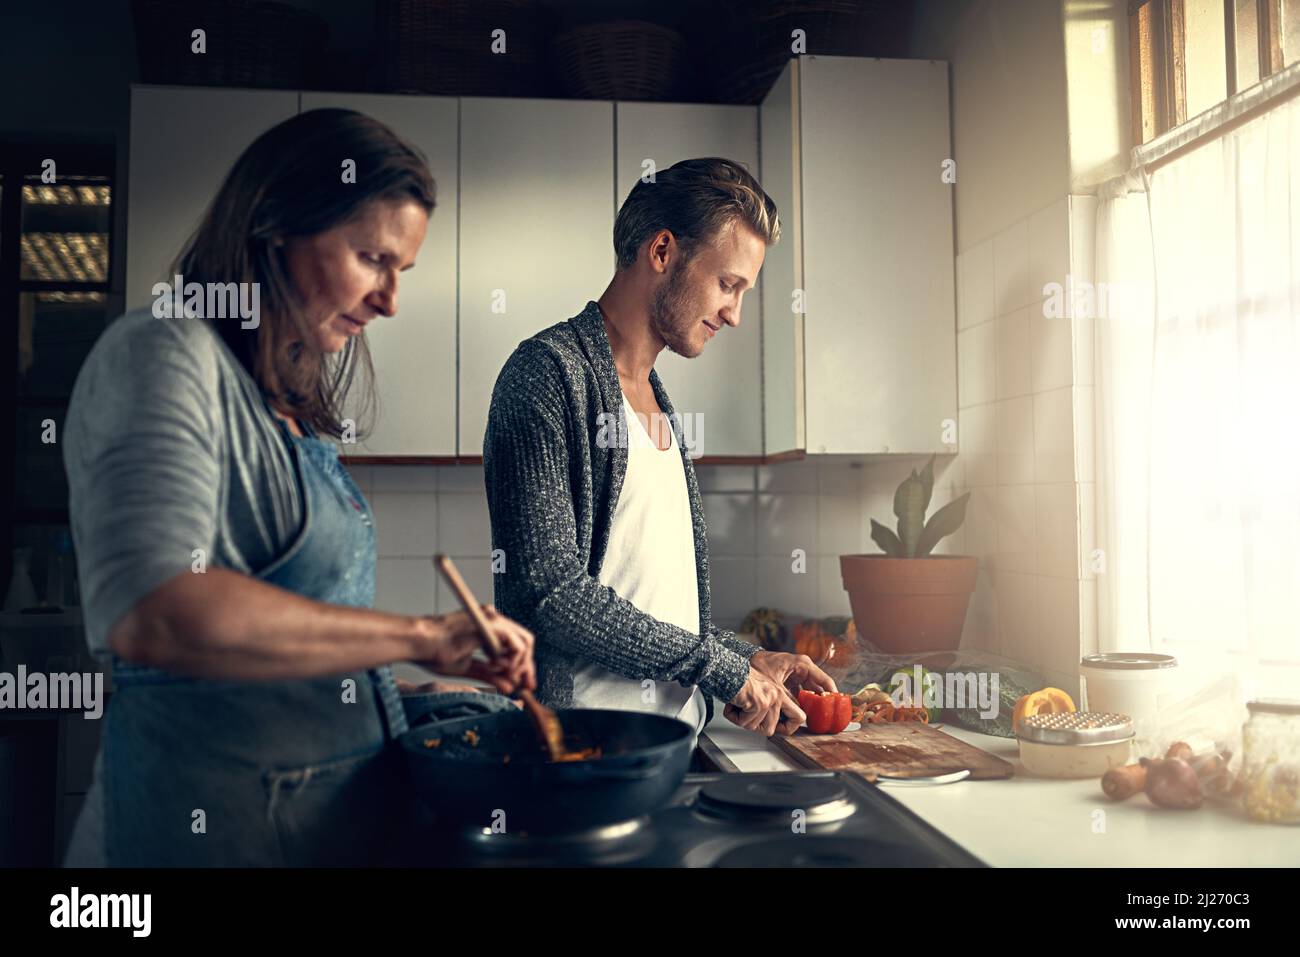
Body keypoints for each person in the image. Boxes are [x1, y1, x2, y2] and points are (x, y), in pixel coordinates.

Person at [62, 109, 534, 867]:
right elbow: (156, 612)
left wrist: (400, 694)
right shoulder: (161, 354)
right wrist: (422, 635)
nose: (390, 300)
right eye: (373, 258)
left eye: (400, 271)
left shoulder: (284, 410)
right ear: (276, 225)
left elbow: (277, 659)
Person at [483, 158, 834, 744]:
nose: (734, 314)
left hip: (674, 749)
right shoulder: (546, 376)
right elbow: (552, 597)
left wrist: (744, 658)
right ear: (663, 251)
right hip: (583, 757)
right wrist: (718, 668)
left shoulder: (661, 404)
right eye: (728, 284)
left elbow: (652, 610)